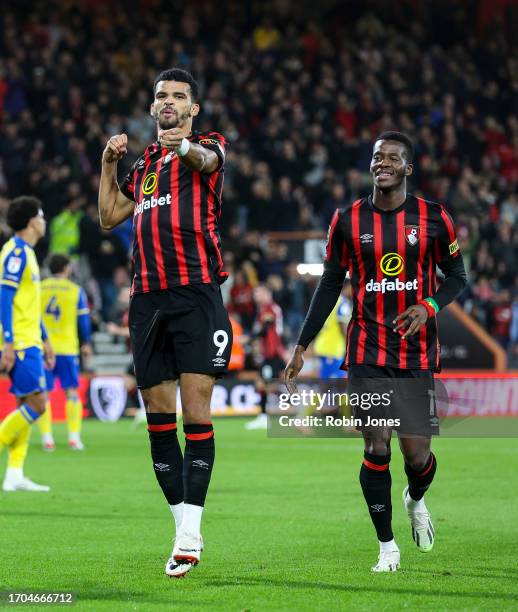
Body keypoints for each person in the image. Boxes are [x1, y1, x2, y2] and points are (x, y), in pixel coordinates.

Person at [285, 132, 467, 572]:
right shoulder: (346, 221)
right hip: (367, 349)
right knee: (376, 445)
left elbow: (457, 277)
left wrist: (429, 305)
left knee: (417, 457)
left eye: (392, 158)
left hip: (417, 353)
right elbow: (330, 284)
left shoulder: (434, 218)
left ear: (408, 168)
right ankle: (387, 546)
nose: (382, 162)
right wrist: (301, 345)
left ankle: (415, 499)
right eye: (376, 156)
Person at [98, 68, 232, 578]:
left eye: (179, 96)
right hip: (147, 300)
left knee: (196, 412)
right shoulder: (145, 164)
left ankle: (190, 535)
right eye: (162, 97)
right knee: (159, 420)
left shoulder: (206, 146)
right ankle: (183, 527)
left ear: (192, 108)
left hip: (196, 293)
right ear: (153, 108)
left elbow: (208, 159)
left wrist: (184, 148)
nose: (170, 102)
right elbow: (110, 215)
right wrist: (108, 164)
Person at [0, 196, 55, 491]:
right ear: (32, 221)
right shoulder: (17, 254)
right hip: (20, 342)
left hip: (30, 338)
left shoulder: (28, 253)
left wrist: (45, 337)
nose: (44, 221)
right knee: (38, 404)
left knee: (25, 403)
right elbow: (4, 299)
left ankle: (14, 474)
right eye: (42, 216)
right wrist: (8, 343)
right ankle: (13, 471)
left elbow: (29, 304)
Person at [38, 253, 92, 451]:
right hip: (68, 348)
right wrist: (86, 343)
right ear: (67, 268)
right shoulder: (75, 290)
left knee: (43, 394)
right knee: (71, 392)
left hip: (44, 348)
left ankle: (47, 439)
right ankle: (74, 438)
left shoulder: (39, 288)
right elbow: (83, 321)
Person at [245, 285, 285, 430]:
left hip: (272, 353)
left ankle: (265, 417)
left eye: (258, 293)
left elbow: (266, 328)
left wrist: (249, 339)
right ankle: (264, 416)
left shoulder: (270, 308)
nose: (256, 296)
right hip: (267, 353)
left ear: (267, 293)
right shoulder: (263, 309)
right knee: (263, 384)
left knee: (266, 385)